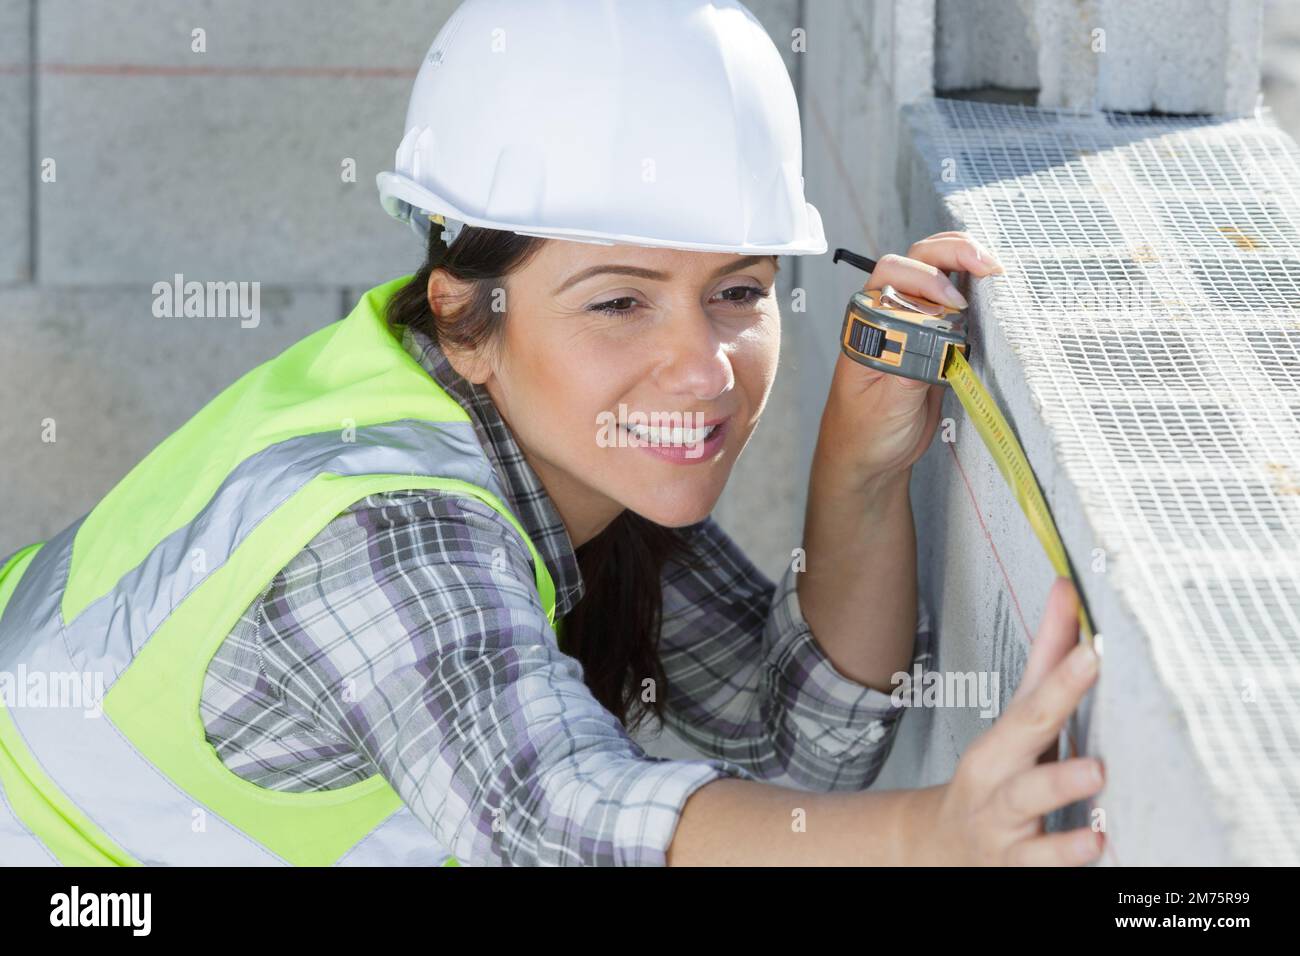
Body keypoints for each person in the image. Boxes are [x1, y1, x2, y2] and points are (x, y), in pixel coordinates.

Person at [0, 0, 1103, 866]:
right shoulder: (393, 535)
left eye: (738, 290)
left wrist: (859, 456)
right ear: (465, 310)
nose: (702, 366)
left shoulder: (551, 454)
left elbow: (804, 740)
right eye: (619, 301)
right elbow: (555, 817)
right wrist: (930, 842)